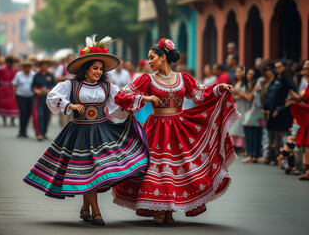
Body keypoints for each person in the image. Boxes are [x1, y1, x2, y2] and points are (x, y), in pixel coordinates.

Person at [23, 35, 149, 226]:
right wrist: (70, 106)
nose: (98, 72)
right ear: (86, 69)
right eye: (95, 68)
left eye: (100, 69)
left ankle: (86, 208)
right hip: (79, 133)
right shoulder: (70, 85)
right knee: (88, 171)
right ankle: (95, 212)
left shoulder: (108, 87)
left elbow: (118, 104)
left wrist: (129, 112)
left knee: (94, 171)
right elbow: (52, 97)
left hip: (101, 132)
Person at [112, 38, 238, 224]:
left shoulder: (183, 78)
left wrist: (219, 88)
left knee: (177, 168)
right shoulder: (147, 79)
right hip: (156, 128)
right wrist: (146, 98)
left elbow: (200, 93)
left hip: (178, 128)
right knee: (158, 168)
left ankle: (169, 209)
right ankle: (160, 209)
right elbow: (121, 95)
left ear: (163, 58)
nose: (149, 61)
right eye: (149, 58)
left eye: (152, 57)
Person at [239, 68, 264, 163]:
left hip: (255, 111)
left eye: (250, 74)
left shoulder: (257, 84)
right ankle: (251, 154)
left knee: (255, 133)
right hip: (250, 111)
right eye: (248, 73)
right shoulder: (249, 85)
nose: (248, 75)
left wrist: (239, 92)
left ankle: (253, 155)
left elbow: (249, 98)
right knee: (250, 133)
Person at [0, 55, 20, 126]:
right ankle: (9, 121)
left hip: (6, 90)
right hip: (9, 90)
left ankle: (7, 121)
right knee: (9, 105)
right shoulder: (13, 70)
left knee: (10, 105)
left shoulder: (6, 70)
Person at [291, 60, 309, 180]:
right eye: (305, 67)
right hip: (306, 115)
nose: (305, 69)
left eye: (307, 67)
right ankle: (307, 169)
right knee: (306, 144)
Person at [31, 57, 56, 141]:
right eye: (42, 65)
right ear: (40, 66)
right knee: (39, 115)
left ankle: (44, 132)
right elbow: (32, 86)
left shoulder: (51, 76)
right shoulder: (36, 76)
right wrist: (36, 90)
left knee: (46, 116)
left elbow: (54, 86)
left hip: (48, 98)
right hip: (38, 98)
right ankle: (39, 133)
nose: (44, 66)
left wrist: (50, 90)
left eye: (46, 64)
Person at [12, 60, 35, 138]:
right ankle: (21, 131)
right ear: (23, 67)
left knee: (28, 114)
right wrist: (13, 94)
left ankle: (24, 131)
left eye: (28, 66)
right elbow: (14, 84)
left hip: (31, 96)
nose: (27, 68)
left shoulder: (33, 74)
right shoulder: (18, 74)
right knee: (23, 113)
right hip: (21, 96)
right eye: (25, 66)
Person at [230, 66, 247, 154]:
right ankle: (235, 145)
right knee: (235, 125)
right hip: (237, 105)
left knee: (241, 125)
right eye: (236, 72)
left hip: (244, 106)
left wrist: (238, 93)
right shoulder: (236, 82)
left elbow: (247, 96)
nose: (237, 74)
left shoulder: (246, 83)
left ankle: (243, 146)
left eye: (239, 72)